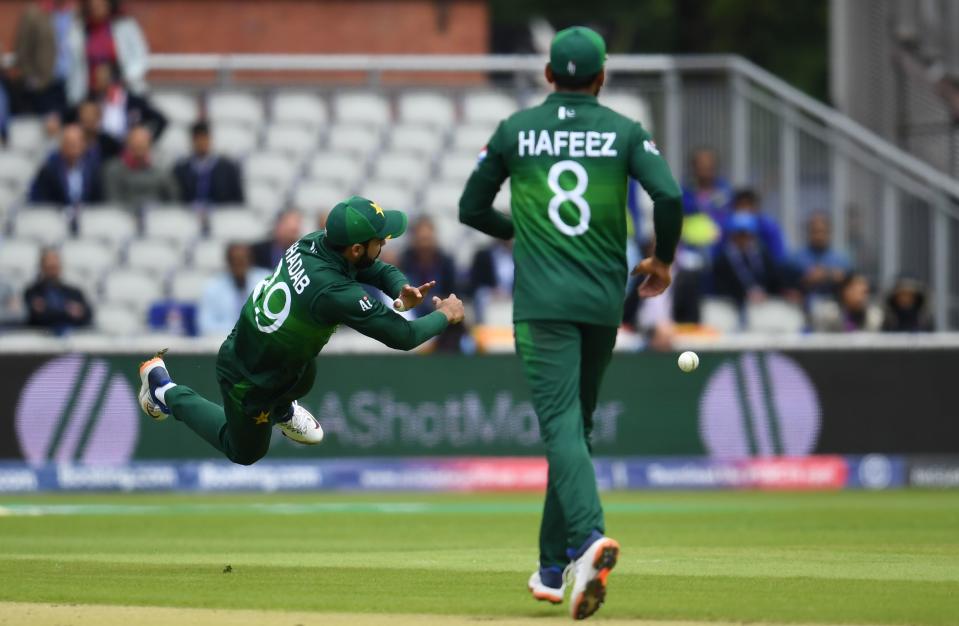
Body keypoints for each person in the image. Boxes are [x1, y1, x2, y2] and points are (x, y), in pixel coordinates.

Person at [458, 27, 682, 620]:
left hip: (542, 302)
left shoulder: (514, 130)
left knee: (560, 425)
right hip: (604, 299)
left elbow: (470, 209)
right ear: (602, 76)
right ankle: (553, 568)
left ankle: (587, 540)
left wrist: (522, 230)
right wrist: (663, 259)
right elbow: (670, 197)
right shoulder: (624, 131)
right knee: (575, 427)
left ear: (549, 76)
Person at [137, 195, 464, 465]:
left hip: (264, 350)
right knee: (245, 452)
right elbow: (403, 336)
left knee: (304, 373)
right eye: (379, 241)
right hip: (248, 377)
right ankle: (164, 391)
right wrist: (445, 315)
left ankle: (280, 408)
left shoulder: (316, 242)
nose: (383, 246)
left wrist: (399, 287)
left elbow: (375, 268)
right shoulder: (335, 291)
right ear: (355, 249)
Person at [66, 0, 149, 106]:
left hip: (122, 91)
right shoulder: (79, 29)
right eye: (92, 6)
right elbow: (73, 62)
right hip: (90, 93)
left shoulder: (125, 26)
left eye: (100, 5)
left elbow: (140, 58)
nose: (95, 9)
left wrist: (124, 78)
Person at [197, 243, 270, 337]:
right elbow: (205, 325)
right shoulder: (213, 288)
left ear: (250, 261)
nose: (239, 265)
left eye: (243, 261)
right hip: (224, 342)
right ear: (228, 263)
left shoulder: (265, 281)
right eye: (235, 261)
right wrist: (238, 332)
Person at [712, 212, 781, 308]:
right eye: (739, 235)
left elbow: (773, 278)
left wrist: (765, 292)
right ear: (732, 236)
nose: (743, 239)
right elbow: (721, 287)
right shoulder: (722, 260)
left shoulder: (762, 254)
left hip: (764, 302)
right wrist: (745, 295)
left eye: (746, 235)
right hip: (735, 306)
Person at [103, 124, 178, 209]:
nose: (139, 145)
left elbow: (174, 198)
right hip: (123, 217)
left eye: (143, 142)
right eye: (135, 142)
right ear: (127, 143)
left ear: (150, 145)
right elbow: (113, 200)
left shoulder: (160, 170)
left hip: (158, 217)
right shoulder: (113, 169)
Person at [173, 121, 244, 207]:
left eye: (204, 138)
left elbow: (238, 202)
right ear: (192, 141)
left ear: (210, 139)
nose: (201, 143)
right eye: (197, 139)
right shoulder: (181, 170)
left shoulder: (228, 169)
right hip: (188, 217)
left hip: (222, 216)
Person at [29, 123, 103, 205]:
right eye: (70, 143)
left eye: (77, 142)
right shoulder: (49, 170)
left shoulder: (93, 169)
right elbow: (38, 200)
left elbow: (99, 201)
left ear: (84, 145)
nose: (74, 147)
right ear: (62, 145)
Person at [398, 216, 458, 319]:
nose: (425, 245)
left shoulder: (445, 261)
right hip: (413, 308)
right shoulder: (405, 260)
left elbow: (452, 291)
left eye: (427, 239)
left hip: (439, 307)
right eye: (421, 239)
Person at [24, 247, 92, 334]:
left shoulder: (74, 292)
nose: (52, 269)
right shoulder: (32, 292)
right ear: (42, 267)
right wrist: (67, 311)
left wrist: (49, 308)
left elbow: (87, 314)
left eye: (55, 266)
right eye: (49, 266)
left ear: (60, 266)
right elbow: (37, 317)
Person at [719, 189, 786, 263]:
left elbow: (778, 255)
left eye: (748, 205)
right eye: (741, 205)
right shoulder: (726, 226)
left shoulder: (769, 227)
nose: (744, 210)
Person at [792, 213, 851, 297]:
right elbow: (790, 283)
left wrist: (827, 275)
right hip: (803, 305)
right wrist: (807, 280)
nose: (819, 236)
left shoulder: (841, 259)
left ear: (829, 232)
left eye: (822, 231)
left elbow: (848, 281)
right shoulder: (797, 258)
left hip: (834, 305)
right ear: (808, 232)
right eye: (815, 231)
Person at [811, 272, 882, 332]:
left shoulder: (873, 316)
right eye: (856, 291)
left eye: (865, 292)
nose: (862, 297)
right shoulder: (829, 313)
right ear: (845, 291)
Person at [468, 239, 514, 324]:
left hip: (513, 295)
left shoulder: (522, 256)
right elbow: (476, 282)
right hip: (491, 295)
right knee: (481, 295)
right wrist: (493, 290)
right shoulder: (484, 255)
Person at [681, 147, 732, 221]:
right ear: (694, 167)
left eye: (709, 165)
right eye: (701, 165)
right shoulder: (685, 193)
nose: (705, 168)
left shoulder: (726, 191)